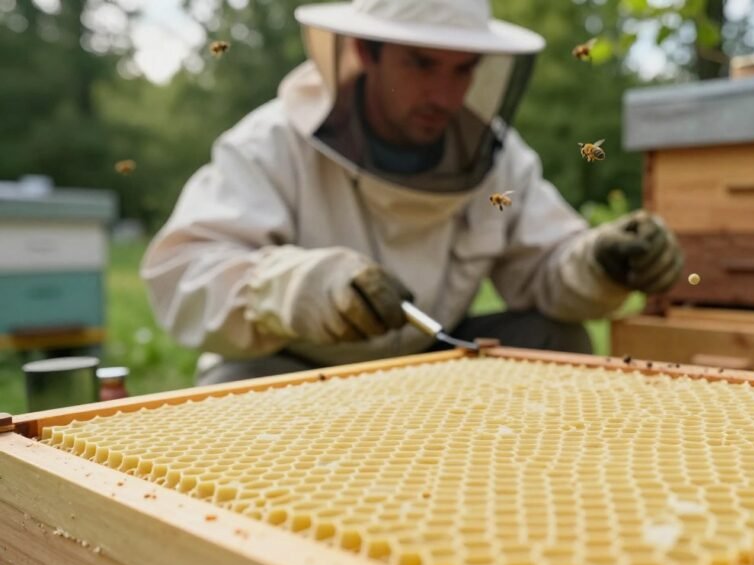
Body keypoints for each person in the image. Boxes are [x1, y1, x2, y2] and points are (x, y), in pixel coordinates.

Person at [141, 0, 685, 385]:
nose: (444, 95)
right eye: (422, 65)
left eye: (463, 70)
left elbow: (544, 270)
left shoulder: (499, 158)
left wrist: (599, 263)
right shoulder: (271, 143)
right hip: (301, 371)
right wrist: (299, 288)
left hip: (429, 361)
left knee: (553, 338)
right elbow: (183, 273)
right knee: (237, 386)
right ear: (364, 51)